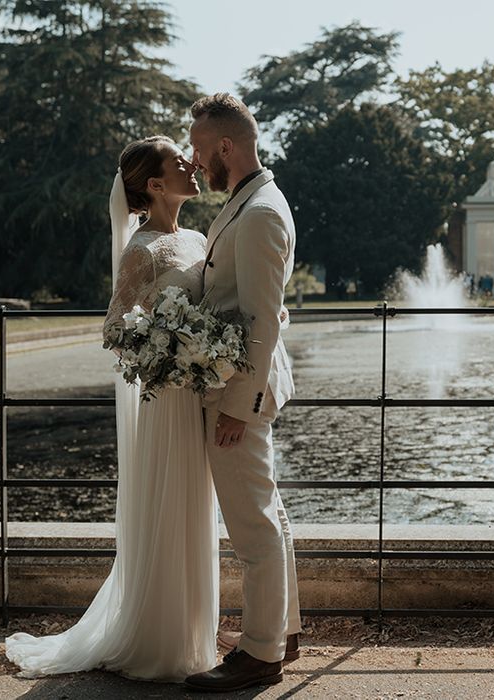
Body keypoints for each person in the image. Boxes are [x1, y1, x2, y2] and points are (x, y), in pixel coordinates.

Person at [5, 136, 220, 680]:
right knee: (169, 508)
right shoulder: (140, 251)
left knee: (197, 511)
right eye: (179, 162)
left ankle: (196, 638)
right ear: (154, 185)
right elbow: (113, 329)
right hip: (166, 399)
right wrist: (168, 350)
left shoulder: (198, 237)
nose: (192, 165)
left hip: (200, 392)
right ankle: (157, 643)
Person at [184, 93, 301, 693]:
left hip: (240, 398)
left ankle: (260, 653)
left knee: (253, 526)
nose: (195, 159)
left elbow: (261, 320)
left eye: (201, 148)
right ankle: (283, 629)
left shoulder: (258, 214)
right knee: (269, 513)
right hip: (240, 389)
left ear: (227, 146)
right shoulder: (248, 201)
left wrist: (236, 407)